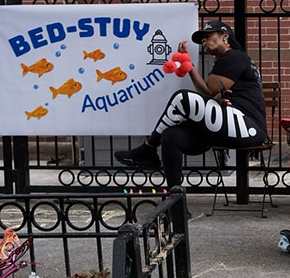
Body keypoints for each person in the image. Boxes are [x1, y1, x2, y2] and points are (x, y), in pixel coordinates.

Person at [114, 20, 267, 187]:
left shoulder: (234, 56)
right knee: (171, 136)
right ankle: (176, 204)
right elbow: (211, 92)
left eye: (208, 37)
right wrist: (189, 65)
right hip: (230, 126)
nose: (204, 42)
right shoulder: (228, 60)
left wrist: (214, 96)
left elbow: (210, 90)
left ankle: (149, 147)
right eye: (202, 41)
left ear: (224, 36)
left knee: (182, 98)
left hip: (249, 128)